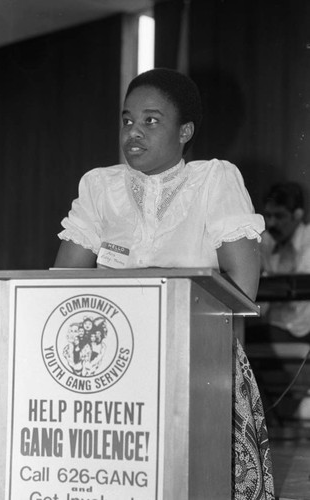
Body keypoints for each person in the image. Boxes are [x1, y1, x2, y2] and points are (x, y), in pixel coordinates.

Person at [54, 68, 274, 499]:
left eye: (151, 120)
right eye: (127, 120)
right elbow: (61, 285)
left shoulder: (213, 179)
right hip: (111, 364)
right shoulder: (100, 186)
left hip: (198, 360)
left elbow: (242, 289)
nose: (134, 131)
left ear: (184, 130)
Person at [246, 182, 310, 420]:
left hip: (304, 328)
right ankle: (280, 412)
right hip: (275, 325)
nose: (271, 223)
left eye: (279, 216)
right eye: (268, 215)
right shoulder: (266, 241)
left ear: (298, 215)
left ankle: (284, 411)